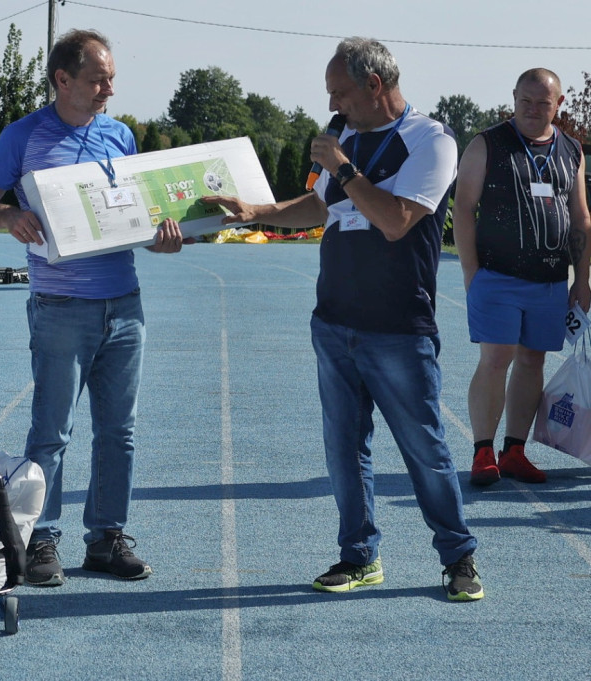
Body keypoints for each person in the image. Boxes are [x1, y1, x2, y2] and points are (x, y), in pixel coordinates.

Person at [202, 37, 483, 601]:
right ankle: (358, 557)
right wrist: (258, 212)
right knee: (344, 446)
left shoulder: (431, 141)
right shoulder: (349, 139)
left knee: (424, 448)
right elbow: (323, 205)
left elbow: (396, 220)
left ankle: (459, 557)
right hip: (334, 320)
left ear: (374, 85)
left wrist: (345, 166)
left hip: (399, 327)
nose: (333, 105)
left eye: (340, 92)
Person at [0, 28, 188, 587]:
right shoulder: (24, 135)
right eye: (97, 79)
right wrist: (7, 216)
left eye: (111, 78)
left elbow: (137, 218)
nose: (108, 89)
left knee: (120, 430)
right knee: (53, 432)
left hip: (124, 303)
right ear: (63, 80)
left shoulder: (121, 135)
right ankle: (41, 540)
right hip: (61, 305)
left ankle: (107, 538)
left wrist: (162, 237)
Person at [454, 68, 591, 487]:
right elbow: (462, 207)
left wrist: (582, 281)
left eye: (542, 103)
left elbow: (581, 220)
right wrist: (471, 272)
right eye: (525, 101)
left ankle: (514, 451)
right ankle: (482, 452)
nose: (532, 110)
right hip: (496, 276)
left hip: (549, 280)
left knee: (533, 360)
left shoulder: (572, 150)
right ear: (513, 98)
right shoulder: (487, 144)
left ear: (559, 104)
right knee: (497, 359)